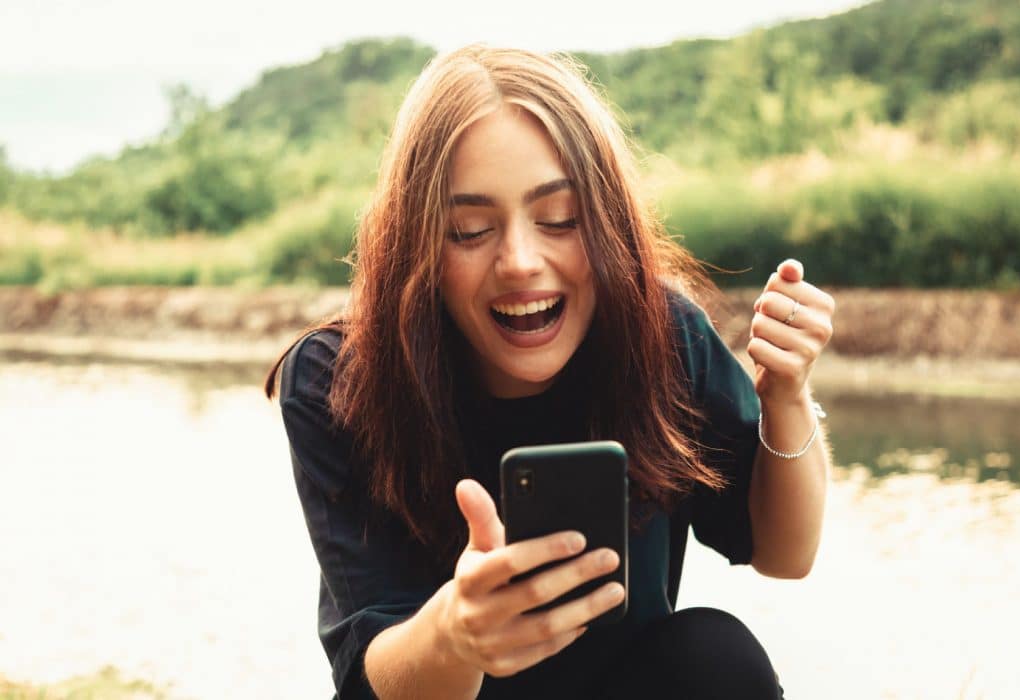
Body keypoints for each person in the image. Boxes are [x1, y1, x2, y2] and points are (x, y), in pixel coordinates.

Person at [265, 43, 835, 700]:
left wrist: (787, 395)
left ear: (608, 220)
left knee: (717, 656)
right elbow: (372, 676)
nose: (519, 260)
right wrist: (456, 633)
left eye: (559, 218)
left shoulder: (662, 334)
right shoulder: (338, 379)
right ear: (419, 246)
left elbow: (785, 555)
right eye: (470, 230)